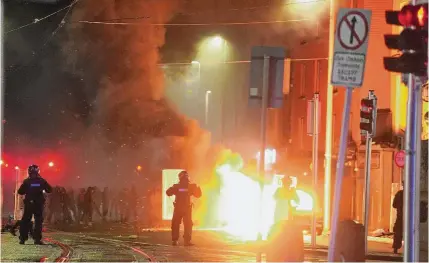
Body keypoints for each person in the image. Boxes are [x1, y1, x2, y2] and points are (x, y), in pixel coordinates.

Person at [17, 164, 52, 245]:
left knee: (25, 221)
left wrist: (28, 190)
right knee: (38, 222)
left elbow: (20, 191)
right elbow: (49, 190)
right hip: (38, 204)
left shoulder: (26, 181)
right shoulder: (42, 181)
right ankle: (37, 240)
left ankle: (22, 239)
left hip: (29, 204)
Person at [166, 170, 202, 246]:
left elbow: (168, 192)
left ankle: (175, 240)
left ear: (180, 177)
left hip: (178, 208)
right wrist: (198, 188)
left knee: (175, 224)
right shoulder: (191, 186)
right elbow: (198, 195)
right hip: (187, 209)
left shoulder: (176, 186)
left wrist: (172, 189)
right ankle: (187, 241)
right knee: (188, 224)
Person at [392, 183, 403, 254]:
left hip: (400, 216)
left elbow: (394, 205)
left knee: (398, 232)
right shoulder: (412, 193)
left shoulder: (399, 193)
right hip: (410, 218)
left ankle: (395, 248)